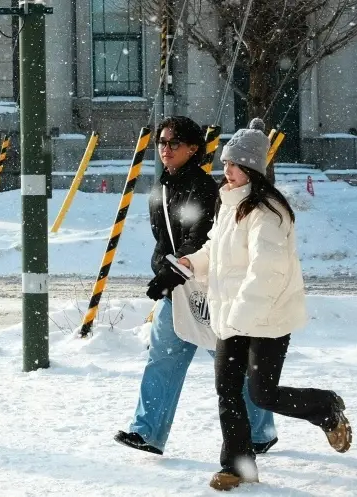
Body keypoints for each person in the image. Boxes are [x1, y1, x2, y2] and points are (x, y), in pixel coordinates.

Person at [179, 118, 352, 491]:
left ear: (253, 169)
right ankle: (238, 465)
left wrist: (240, 314)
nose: (227, 170)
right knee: (227, 390)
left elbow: (266, 273)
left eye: (235, 164)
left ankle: (325, 407)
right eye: (225, 163)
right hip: (232, 316)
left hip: (268, 317)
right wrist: (195, 261)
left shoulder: (268, 213)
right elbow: (217, 250)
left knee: (262, 393)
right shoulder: (230, 204)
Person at [114, 116, 278, 456]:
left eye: (174, 143)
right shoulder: (160, 188)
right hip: (175, 290)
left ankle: (260, 431)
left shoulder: (203, 189)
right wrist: (164, 270)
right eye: (162, 142)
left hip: (206, 292)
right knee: (162, 360)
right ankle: (147, 432)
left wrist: (172, 271)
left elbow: (199, 240)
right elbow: (165, 240)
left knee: (231, 367)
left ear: (193, 149)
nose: (165, 149)